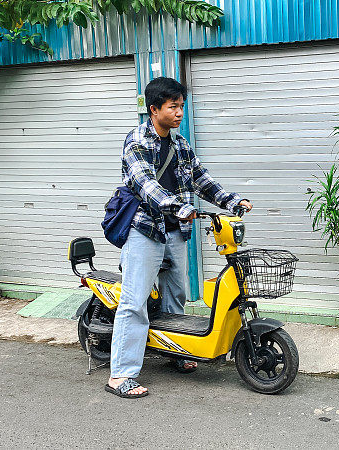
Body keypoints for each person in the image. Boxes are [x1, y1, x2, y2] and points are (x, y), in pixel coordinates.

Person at [105, 77, 252, 398]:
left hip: (175, 232)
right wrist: (177, 206)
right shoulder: (136, 142)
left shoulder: (181, 146)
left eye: (181, 106)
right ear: (153, 109)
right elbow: (145, 184)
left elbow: (203, 181)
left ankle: (174, 353)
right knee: (134, 302)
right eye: (173, 106)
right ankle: (121, 375)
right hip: (145, 230)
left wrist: (231, 200)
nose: (179, 112)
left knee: (176, 296)